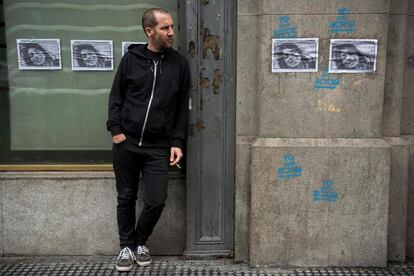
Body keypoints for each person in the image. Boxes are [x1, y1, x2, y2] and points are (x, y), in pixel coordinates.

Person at [106, 8, 190, 272]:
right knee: (126, 197)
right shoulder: (131, 59)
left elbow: (180, 108)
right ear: (149, 31)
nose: (172, 32)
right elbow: (116, 97)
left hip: (157, 146)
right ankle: (126, 248)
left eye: (172, 27)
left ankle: (140, 241)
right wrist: (116, 131)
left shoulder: (179, 64)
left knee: (156, 200)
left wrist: (177, 142)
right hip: (126, 143)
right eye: (165, 28)